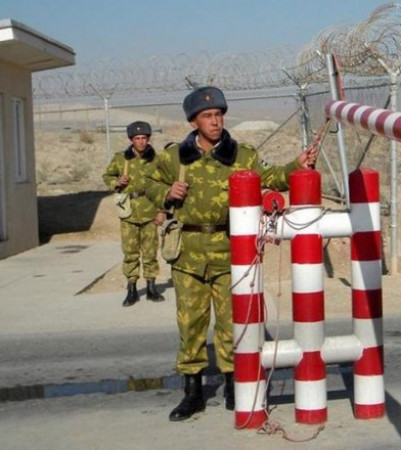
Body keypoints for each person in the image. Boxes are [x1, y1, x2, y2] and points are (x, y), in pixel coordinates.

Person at [145, 86, 317, 422]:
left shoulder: (242, 155)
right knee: (190, 324)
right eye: (208, 116)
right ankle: (192, 394)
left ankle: (234, 387)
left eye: (219, 114)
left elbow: (271, 177)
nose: (215, 120)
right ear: (194, 121)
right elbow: (148, 185)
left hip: (231, 252)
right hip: (189, 255)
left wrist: (295, 166)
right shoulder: (173, 158)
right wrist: (166, 191)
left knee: (231, 324)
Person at [103, 121, 166, 307]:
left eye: (144, 138)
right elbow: (107, 176)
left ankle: (151, 287)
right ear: (131, 140)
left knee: (150, 252)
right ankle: (131, 288)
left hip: (150, 209)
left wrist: (162, 211)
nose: (141, 142)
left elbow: (164, 186)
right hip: (128, 211)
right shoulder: (121, 159)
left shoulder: (157, 160)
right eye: (137, 138)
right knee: (130, 252)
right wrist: (117, 182)